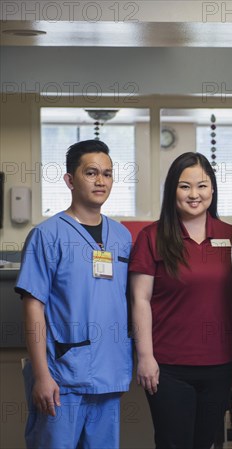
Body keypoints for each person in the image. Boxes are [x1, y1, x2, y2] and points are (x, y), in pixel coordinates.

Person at [16, 139, 133, 449]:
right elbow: (33, 306)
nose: (101, 181)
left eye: (107, 174)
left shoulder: (122, 237)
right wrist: (42, 375)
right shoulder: (47, 235)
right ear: (70, 180)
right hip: (62, 377)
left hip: (108, 374)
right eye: (91, 172)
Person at [129, 152, 232, 449]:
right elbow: (140, 300)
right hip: (167, 366)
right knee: (173, 443)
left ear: (213, 190)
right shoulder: (152, 237)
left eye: (202, 186)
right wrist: (145, 357)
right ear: (172, 191)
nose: (194, 194)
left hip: (219, 364)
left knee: (206, 442)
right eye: (184, 186)